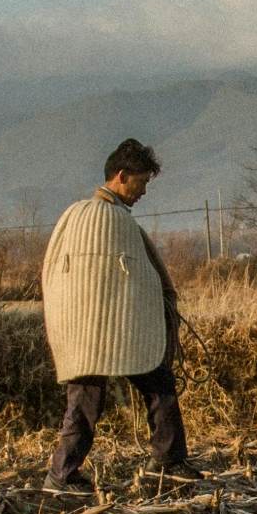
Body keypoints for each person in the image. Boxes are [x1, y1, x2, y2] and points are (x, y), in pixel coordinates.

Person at [40, 138, 199, 491]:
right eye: (141, 183)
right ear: (122, 176)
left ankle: (165, 459)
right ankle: (62, 476)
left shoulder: (76, 219)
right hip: (113, 332)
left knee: (144, 387)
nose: (143, 192)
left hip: (97, 333)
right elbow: (142, 279)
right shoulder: (114, 222)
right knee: (95, 400)